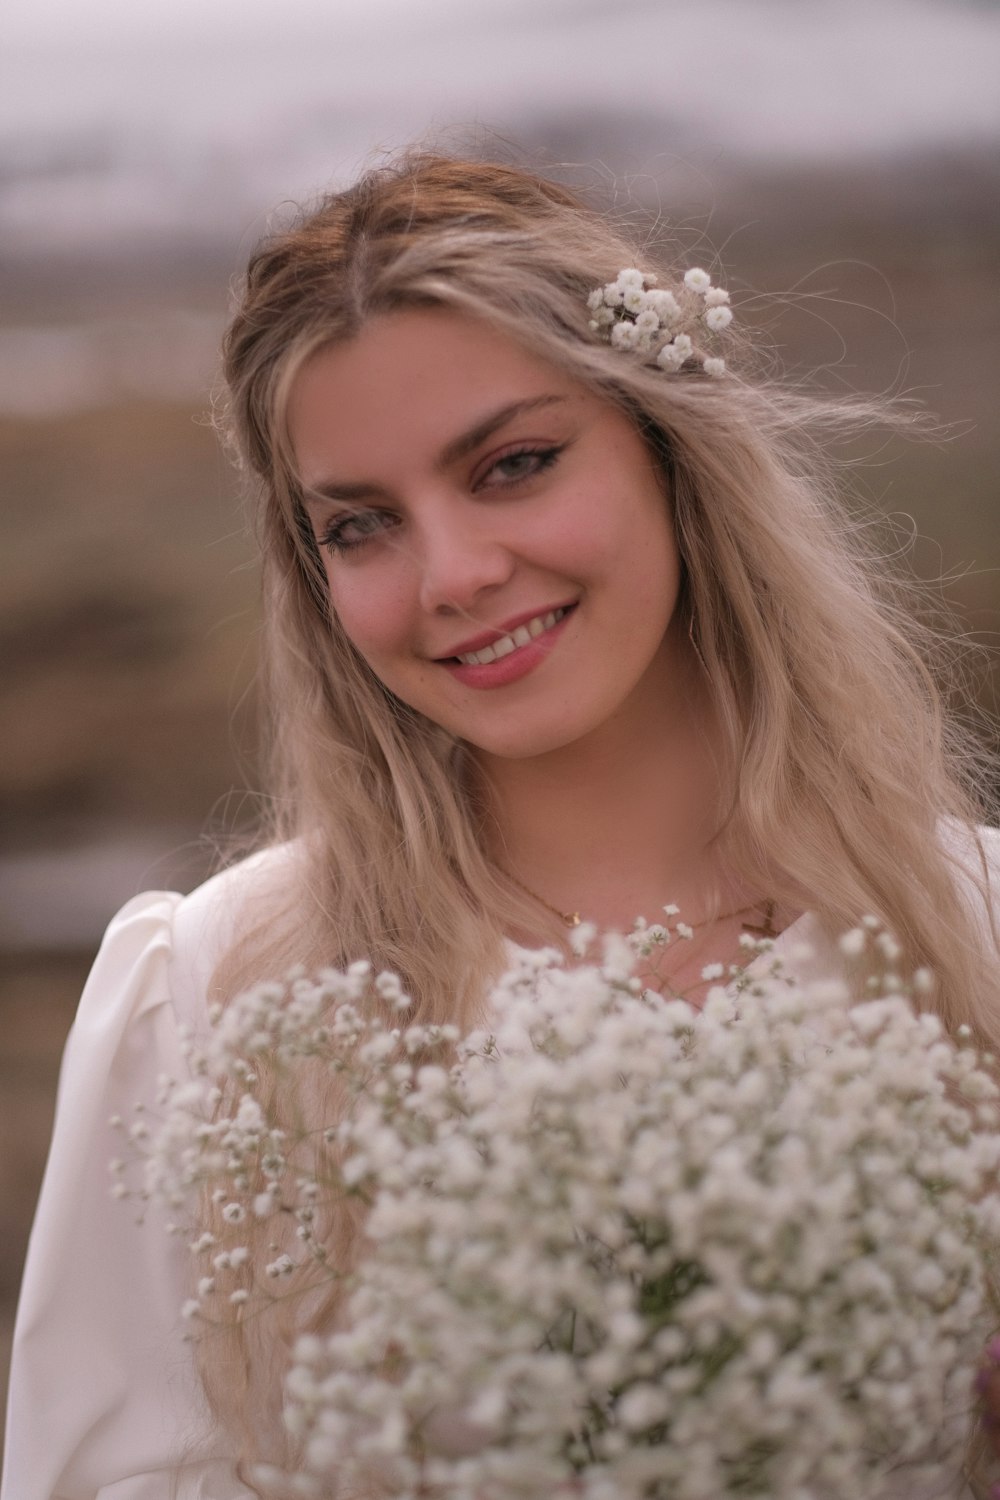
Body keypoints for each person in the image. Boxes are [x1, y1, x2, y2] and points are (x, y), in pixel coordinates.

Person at [3, 150, 999, 1498]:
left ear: (670, 449)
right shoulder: (217, 994)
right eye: (360, 526)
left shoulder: (971, 928)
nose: (454, 577)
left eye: (515, 465)